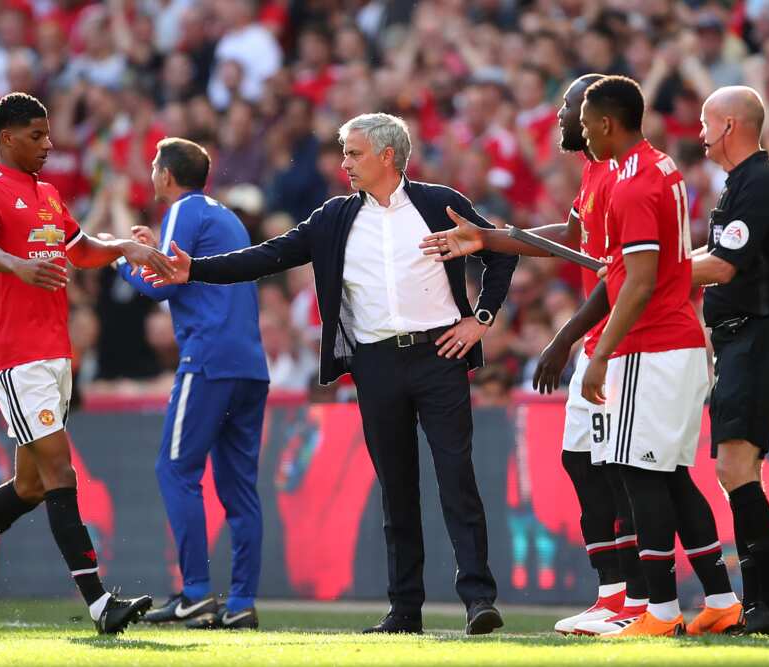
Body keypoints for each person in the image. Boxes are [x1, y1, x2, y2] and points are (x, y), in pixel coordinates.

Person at [147, 113, 516, 635]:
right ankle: (404, 610)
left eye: (353, 154)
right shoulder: (333, 217)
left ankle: (478, 600)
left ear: (387, 156)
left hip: (441, 355)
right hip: (376, 363)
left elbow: (500, 250)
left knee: (458, 480)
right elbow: (267, 256)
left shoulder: (438, 202)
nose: (344, 163)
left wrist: (480, 321)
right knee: (396, 489)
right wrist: (195, 270)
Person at [0, 92, 173, 634]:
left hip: (55, 353)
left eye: (49, 134)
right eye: (36, 135)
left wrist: (126, 246)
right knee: (60, 472)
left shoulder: (48, 194)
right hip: (18, 356)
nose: (49, 144)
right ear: (7, 137)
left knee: (30, 485)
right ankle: (101, 606)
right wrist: (17, 266)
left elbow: (79, 249)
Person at [419, 74, 649, 634]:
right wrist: (489, 238)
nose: (560, 118)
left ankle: (645, 601)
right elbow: (570, 234)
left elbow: (625, 275)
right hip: (598, 343)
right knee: (581, 460)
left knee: (628, 470)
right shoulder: (596, 171)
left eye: (568, 107)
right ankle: (613, 594)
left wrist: (565, 336)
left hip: (631, 344)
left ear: (597, 115)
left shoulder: (629, 176)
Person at [577, 75, 741, 637]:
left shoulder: (632, 183)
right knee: (670, 475)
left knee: (637, 473)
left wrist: (603, 353)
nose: (581, 134)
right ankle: (720, 599)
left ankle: (661, 610)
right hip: (678, 342)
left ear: (605, 123)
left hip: (651, 346)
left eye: (584, 124)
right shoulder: (661, 167)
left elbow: (641, 280)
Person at [115, 137, 270, 630]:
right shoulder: (225, 216)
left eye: (155, 167)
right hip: (250, 364)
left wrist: (120, 258)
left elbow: (160, 280)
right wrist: (150, 249)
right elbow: (178, 266)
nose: (152, 174)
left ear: (166, 174)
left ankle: (197, 594)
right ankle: (242, 602)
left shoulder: (184, 209)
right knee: (240, 490)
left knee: (175, 470)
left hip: (207, 360)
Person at [692, 86, 769, 636]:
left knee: (735, 469)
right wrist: (647, 266)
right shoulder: (742, 184)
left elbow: (725, 265)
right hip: (739, 339)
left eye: (706, 122)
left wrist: (646, 277)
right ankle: (764, 605)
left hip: (756, 334)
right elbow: (710, 257)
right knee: (737, 470)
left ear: (730, 125)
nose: (700, 133)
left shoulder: (762, 181)